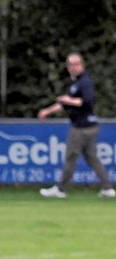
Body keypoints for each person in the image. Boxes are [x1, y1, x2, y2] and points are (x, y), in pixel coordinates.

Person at [37, 53, 115, 198]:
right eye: (71, 64)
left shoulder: (84, 82)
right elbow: (64, 104)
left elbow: (86, 101)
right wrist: (47, 111)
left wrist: (69, 100)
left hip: (82, 127)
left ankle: (60, 189)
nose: (73, 67)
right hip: (89, 126)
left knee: (71, 158)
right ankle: (107, 188)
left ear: (82, 65)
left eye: (76, 64)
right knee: (92, 158)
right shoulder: (75, 83)